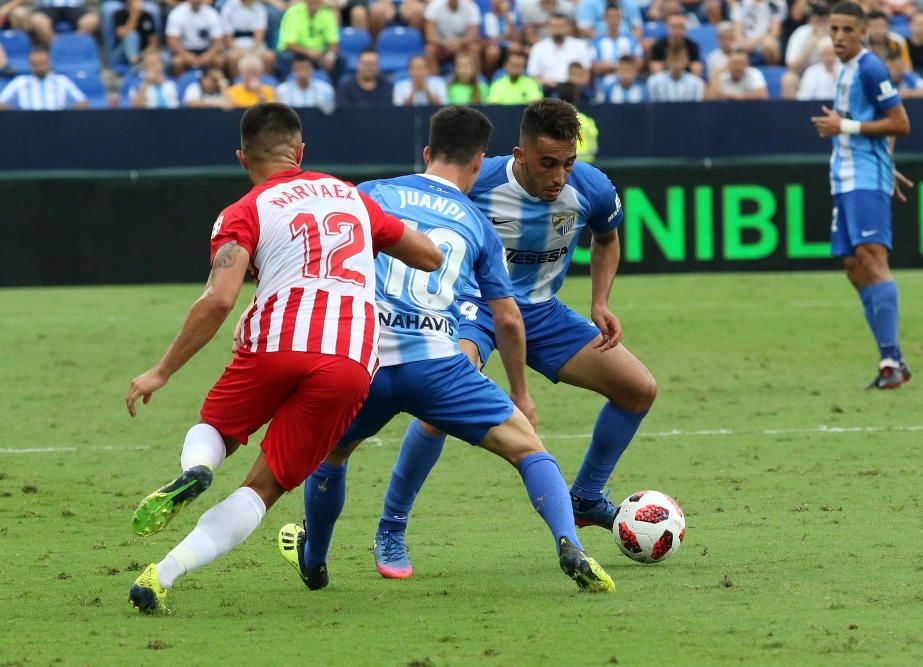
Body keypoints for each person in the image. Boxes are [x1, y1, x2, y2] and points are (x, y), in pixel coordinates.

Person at [280, 105, 616, 593]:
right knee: (529, 450)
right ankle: (570, 543)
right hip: (437, 364)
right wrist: (521, 394)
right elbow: (506, 317)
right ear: (481, 163)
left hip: (366, 365)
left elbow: (324, 261)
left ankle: (315, 559)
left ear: (425, 153)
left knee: (332, 455)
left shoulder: (371, 194)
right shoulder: (475, 220)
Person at [124, 102, 442, 613]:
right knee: (264, 486)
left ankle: (200, 467)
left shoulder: (244, 210)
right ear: (300, 152)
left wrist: (161, 370)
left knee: (218, 429)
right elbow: (429, 256)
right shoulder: (352, 198)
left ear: (242, 157)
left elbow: (220, 299)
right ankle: (162, 574)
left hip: (275, 340)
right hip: (349, 360)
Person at [368, 99, 657, 578]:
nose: (559, 176)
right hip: (472, 310)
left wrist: (600, 301)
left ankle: (585, 496)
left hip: (542, 315)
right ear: (519, 155)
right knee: (436, 407)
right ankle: (391, 529)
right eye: (547, 163)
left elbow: (606, 238)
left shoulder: (593, 188)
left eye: (568, 163)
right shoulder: (477, 183)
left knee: (638, 389)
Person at [809, 1, 913, 389]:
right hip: (849, 177)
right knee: (854, 267)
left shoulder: (870, 68)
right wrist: (887, 163)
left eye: (847, 30)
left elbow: (900, 123)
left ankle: (891, 360)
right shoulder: (847, 69)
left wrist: (844, 126)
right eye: (833, 29)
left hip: (862, 178)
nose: (838, 37)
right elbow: (878, 128)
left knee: (872, 259)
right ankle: (894, 359)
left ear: (863, 31)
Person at [0, 46, 87, 110]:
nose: (39, 68)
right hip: (28, 125)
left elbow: (82, 103)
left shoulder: (61, 81)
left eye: (42, 63)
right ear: (30, 64)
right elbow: (1, 103)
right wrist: (16, 117)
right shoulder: (20, 82)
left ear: (48, 62)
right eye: (35, 64)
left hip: (57, 124)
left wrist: (65, 117)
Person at [276, 0, 340, 79]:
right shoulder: (293, 13)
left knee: (340, 59)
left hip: (319, 53)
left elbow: (334, 41)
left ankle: (330, 86)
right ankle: (288, 81)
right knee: (286, 56)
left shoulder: (327, 14)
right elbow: (289, 44)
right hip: (297, 52)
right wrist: (309, 52)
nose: (314, 4)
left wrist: (330, 56)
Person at [526, 14, 592, 91]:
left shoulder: (581, 46)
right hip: (547, 91)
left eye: (561, 26)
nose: (557, 29)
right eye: (554, 26)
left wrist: (575, 82)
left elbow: (586, 74)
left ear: (568, 27)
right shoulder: (538, 48)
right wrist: (546, 82)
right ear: (548, 28)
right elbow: (533, 76)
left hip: (574, 90)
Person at [166, 0, 226, 76]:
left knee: (219, 61)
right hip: (185, 50)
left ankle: (218, 84)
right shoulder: (177, 13)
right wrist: (185, 55)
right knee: (177, 62)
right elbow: (172, 40)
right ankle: (180, 85)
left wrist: (208, 55)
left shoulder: (211, 13)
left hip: (206, 50)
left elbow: (218, 40)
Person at [423, 0, 482, 75]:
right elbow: (430, 36)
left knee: (474, 48)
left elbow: (473, 35)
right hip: (442, 45)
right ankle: (436, 81)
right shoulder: (434, 6)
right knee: (430, 50)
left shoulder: (471, 7)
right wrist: (445, 43)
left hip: (463, 45)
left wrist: (459, 43)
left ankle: (477, 80)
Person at [221, 0, 275, 78]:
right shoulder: (229, 7)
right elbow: (227, 38)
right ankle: (237, 85)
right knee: (233, 58)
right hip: (235, 46)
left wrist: (252, 51)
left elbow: (260, 34)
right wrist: (239, 51)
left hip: (255, 46)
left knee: (269, 57)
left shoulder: (259, 8)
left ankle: (264, 85)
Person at [590, 5, 644, 78]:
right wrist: (622, 66)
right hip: (606, 84)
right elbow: (596, 67)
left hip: (628, 81)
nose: (614, 20)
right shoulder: (596, 42)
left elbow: (639, 62)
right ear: (605, 19)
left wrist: (609, 66)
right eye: (611, 17)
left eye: (616, 16)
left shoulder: (631, 40)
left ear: (620, 18)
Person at [731, 0, 785, 65]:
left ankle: (771, 71)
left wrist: (753, 42)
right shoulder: (741, 3)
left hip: (763, 41)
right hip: (744, 42)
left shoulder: (776, 3)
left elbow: (774, 33)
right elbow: (737, 34)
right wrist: (745, 44)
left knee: (770, 45)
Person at [649, 13, 703, 77]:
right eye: (673, 27)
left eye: (680, 27)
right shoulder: (658, 45)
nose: (676, 31)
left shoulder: (693, 45)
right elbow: (655, 70)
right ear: (667, 28)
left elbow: (696, 69)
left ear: (685, 29)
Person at [26, 0, 98, 46]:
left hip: (74, 6)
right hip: (47, 6)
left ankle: (75, 46)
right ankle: (58, 47)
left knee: (92, 20)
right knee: (37, 20)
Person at [111, 0, 159, 68]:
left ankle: (137, 63)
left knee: (162, 57)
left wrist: (144, 54)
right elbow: (122, 35)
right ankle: (135, 64)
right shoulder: (119, 14)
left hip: (142, 54)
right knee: (132, 35)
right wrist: (134, 14)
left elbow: (153, 41)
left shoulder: (147, 15)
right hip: (121, 54)